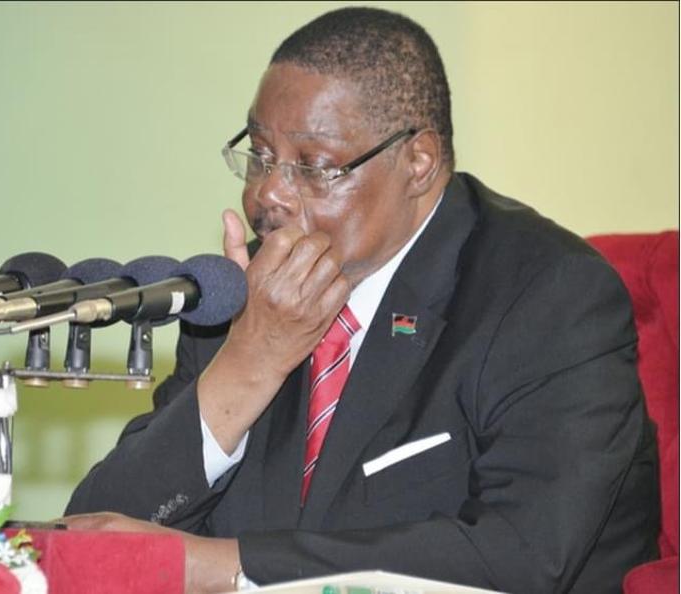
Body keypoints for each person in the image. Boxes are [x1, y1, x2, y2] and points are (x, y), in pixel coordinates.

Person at [63, 7, 659, 594]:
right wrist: (248, 364)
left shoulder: (549, 295)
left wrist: (223, 567)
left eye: (314, 167)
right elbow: (93, 544)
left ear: (418, 163)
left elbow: (522, 556)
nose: (269, 194)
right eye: (261, 156)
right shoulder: (249, 291)